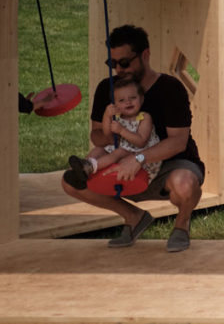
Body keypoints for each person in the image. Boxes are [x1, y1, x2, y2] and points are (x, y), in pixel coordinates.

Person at [62, 24, 205, 253]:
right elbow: (97, 136)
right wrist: (109, 128)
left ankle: (182, 224)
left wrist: (138, 158)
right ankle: (134, 217)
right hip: (122, 163)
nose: (118, 69)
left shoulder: (170, 88)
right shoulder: (106, 88)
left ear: (145, 55)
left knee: (185, 184)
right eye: (113, 63)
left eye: (125, 62)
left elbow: (178, 142)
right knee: (71, 181)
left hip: (168, 165)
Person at [64, 78, 161, 186]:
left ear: (141, 99)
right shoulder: (118, 117)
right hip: (122, 150)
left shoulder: (144, 118)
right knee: (99, 149)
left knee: (119, 152)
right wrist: (107, 116)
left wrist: (122, 130)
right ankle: (81, 173)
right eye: (121, 100)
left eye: (133, 98)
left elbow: (141, 141)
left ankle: (90, 167)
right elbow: (108, 135)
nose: (128, 102)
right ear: (115, 104)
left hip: (142, 159)